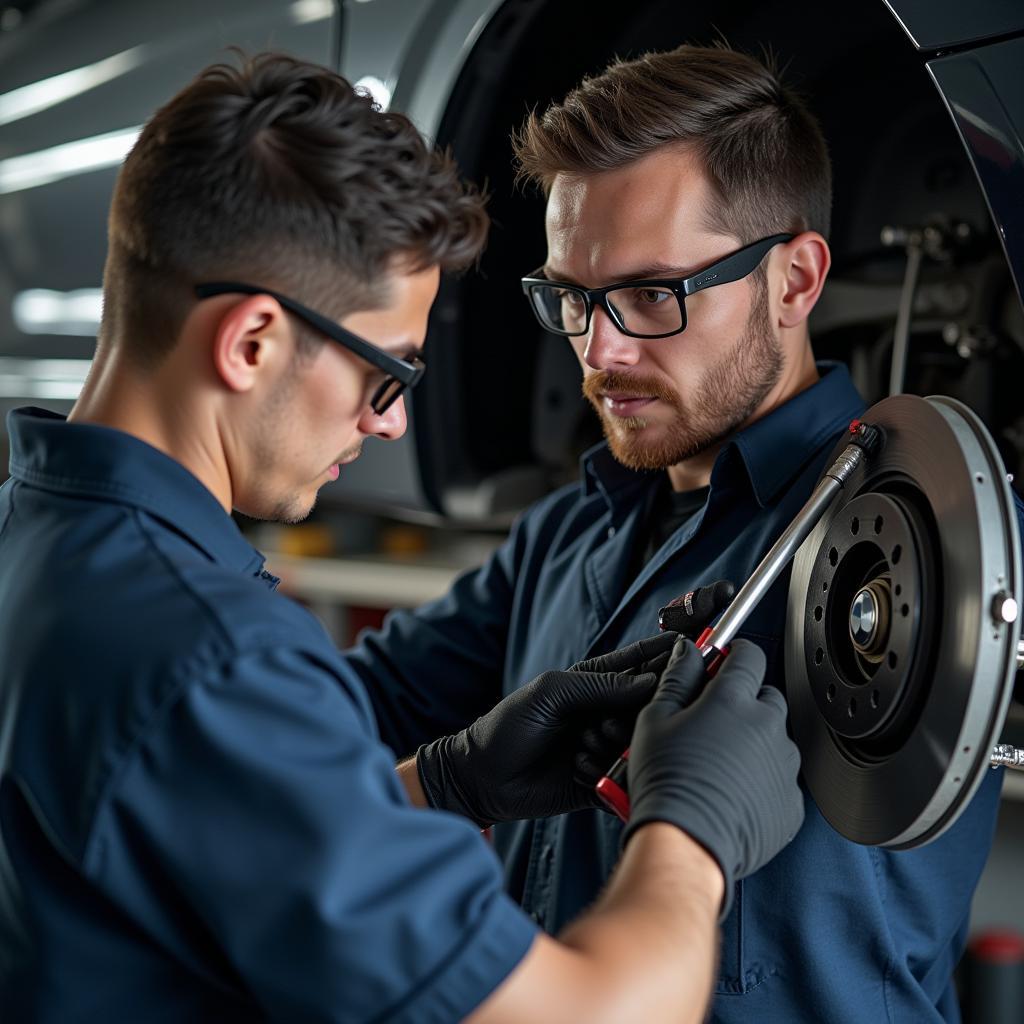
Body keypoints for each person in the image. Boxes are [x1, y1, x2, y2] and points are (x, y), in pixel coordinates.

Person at [0, 53, 806, 1023]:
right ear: (251, 341)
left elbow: (210, 821)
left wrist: (439, 780)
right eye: (389, 376)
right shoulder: (212, 658)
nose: (389, 424)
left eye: (648, 296)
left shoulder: (37, 541)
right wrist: (694, 826)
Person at [346, 43, 1018, 1023]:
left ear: (794, 280)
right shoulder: (567, 531)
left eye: (652, 294)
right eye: (570, 298)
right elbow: (345, 716)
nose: (599, 351)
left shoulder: (924, 541)